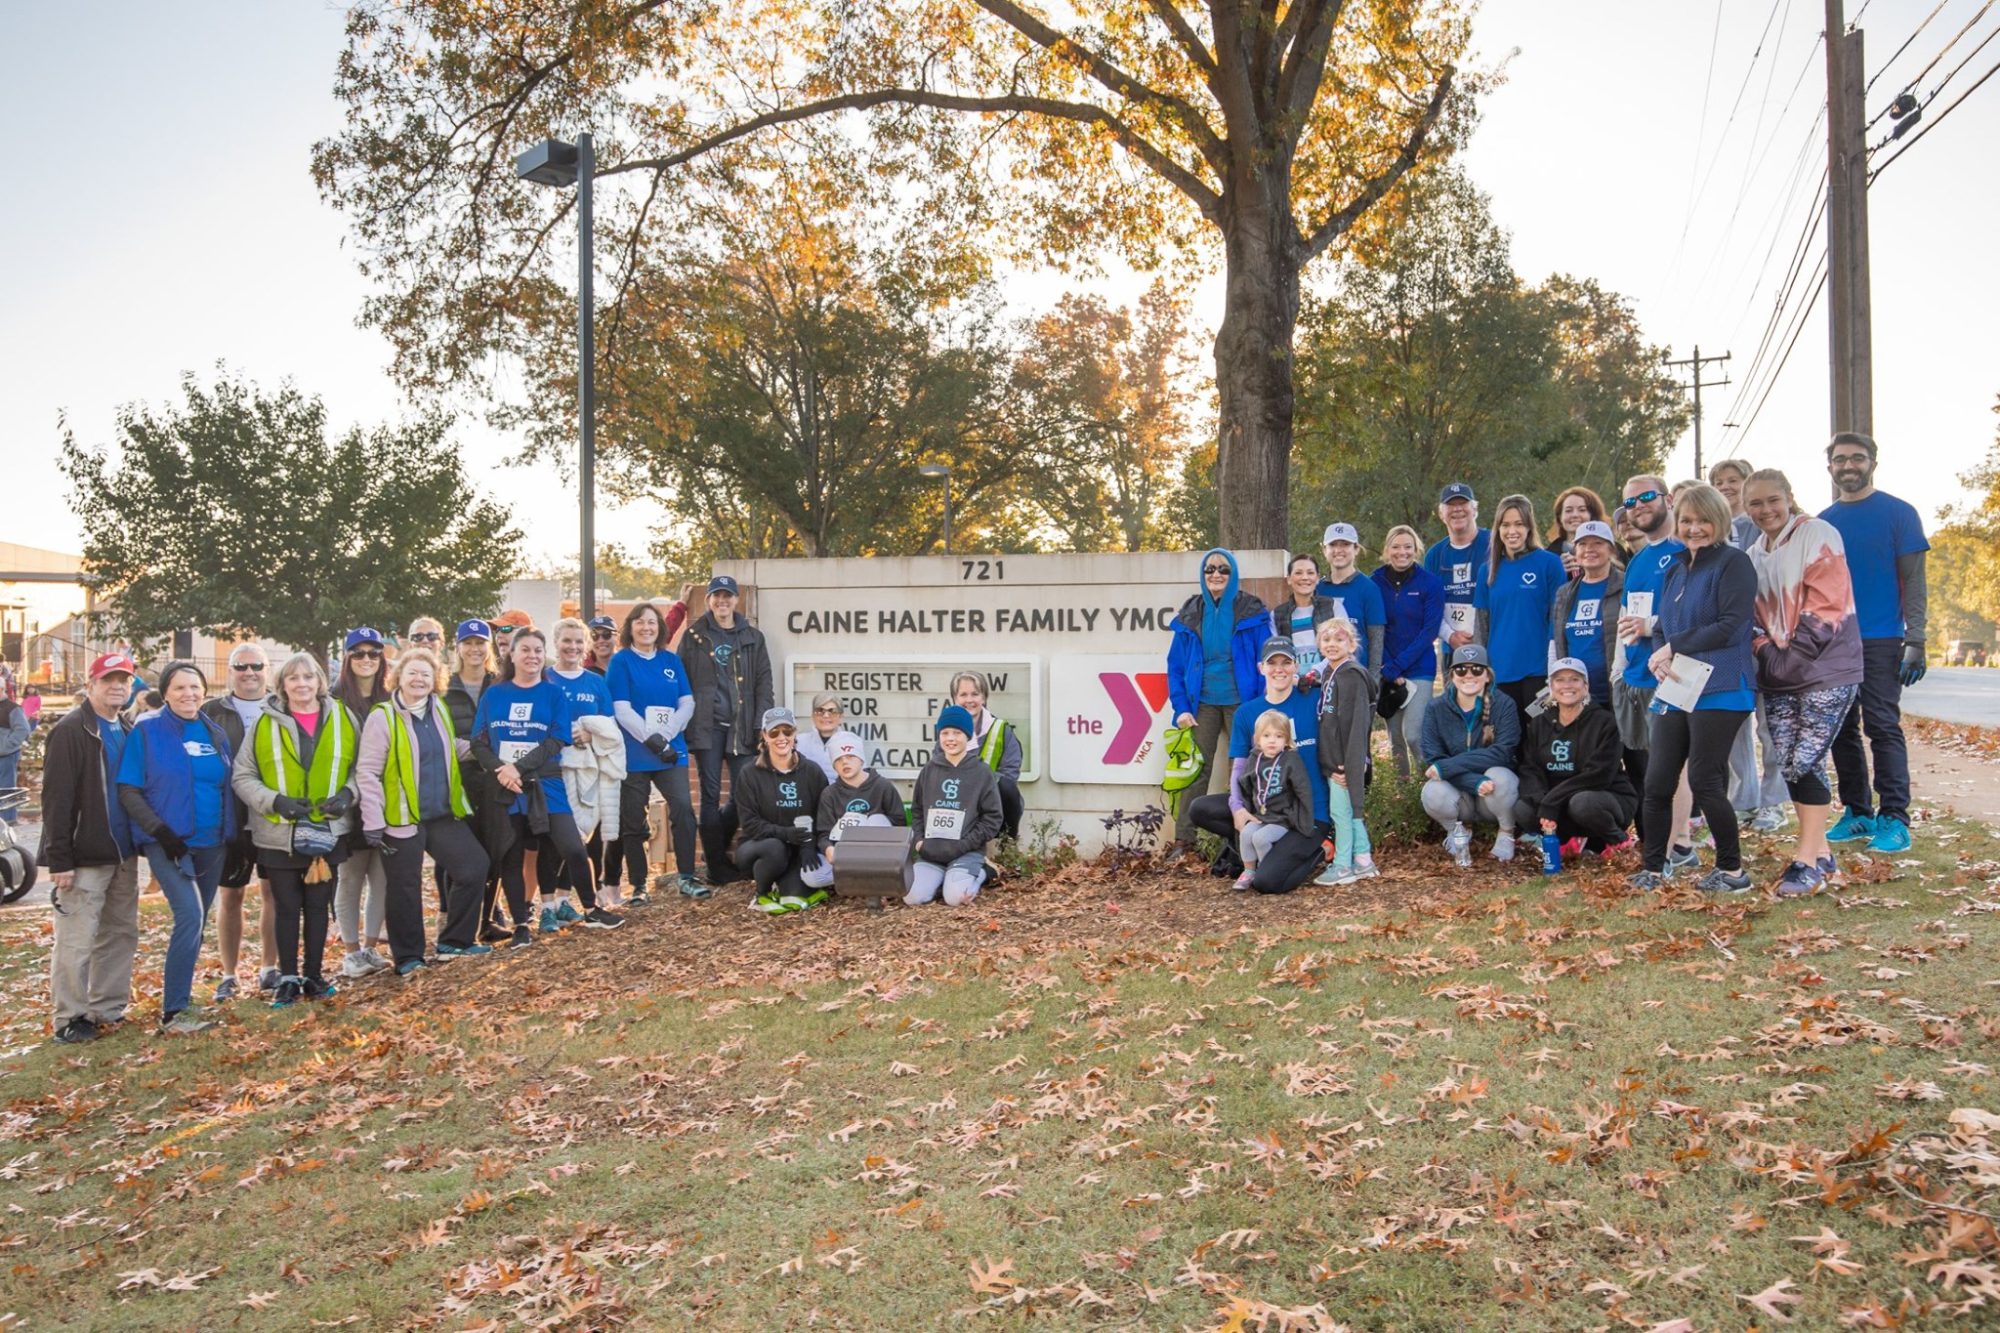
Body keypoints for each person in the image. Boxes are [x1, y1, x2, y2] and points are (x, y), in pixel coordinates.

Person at [1629, 482, 1760, 894]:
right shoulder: (1675, 568)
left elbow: (1731, 625)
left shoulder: (1734, 563)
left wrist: (1672, 646)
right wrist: (1661, 652)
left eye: (1703, 520)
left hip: (1723, 684)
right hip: (1679, 684)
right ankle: (1655, 868)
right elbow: (1663, 624)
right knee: (1657, 781)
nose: (1695, 528)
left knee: (1705, 779)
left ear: (1719, 521)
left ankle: (1732, 872)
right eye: (1687, 520)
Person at [1745, 468, 1865, 897]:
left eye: (1772, 500)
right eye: (1755, 503)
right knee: (1790, 758)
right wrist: (1766, 653)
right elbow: (1753, 619)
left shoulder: (1818, 534)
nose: (1765, 510)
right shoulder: (1756, 552)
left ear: (1789, 497)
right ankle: (1823, 851)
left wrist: (1786, 659)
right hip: (1778, 673)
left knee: (1806, 759)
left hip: (1825, 669)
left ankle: (1805, 861)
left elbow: (1827, 606)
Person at [471, 628, 624, 941]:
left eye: (538, 651)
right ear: (511, 655)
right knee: (512, 858)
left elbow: (558, 738)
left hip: (546, 783)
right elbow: (478, 741)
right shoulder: (495, 694)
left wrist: (518, 767)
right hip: (506, 787)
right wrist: (502, 769)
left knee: (573, 847)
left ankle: (592, 909)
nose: (532, 656)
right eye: (525, 650)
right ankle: (521, 926)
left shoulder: (552, 692)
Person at [1819, 432, 1929, 855]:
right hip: (1833, 640)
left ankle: (1894, 818)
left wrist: (1916, 638)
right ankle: (1858, 811)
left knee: (1882, 726)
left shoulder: (1899, 513)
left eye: (1857, 458)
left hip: (1882, 637)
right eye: (1841, 459)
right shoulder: (1823, 522)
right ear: (1829, 467)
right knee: (1841, 730)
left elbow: (1915, 582)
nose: (1849, 465)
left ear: (1873, 463)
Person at [354, 646, 492, 974]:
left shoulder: (438, 710)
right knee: (404, 886)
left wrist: (482, 748)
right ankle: (409, 957)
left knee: (474, 866)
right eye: (412, 672)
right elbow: (368, 771)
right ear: (398, 677)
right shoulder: (383, 716)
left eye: (426, 674)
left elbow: (449, 749)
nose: (419, 679)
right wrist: (373, 821)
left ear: (436, 681)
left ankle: (455, 942)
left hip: (441, 813)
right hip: (401, 817)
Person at [231, 651, 358, 1006]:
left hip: (326, 832)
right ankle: (287, 976)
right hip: (279, 833)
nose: (301, 684)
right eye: (293, 678)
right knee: (286, 906)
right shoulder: (264, 722)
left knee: (319, 907)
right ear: (282, 685)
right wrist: (274, 801)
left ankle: (314, 975)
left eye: (308, 677)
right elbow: (242, 775)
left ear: (319, 681)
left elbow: (362, 767)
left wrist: (349, 794)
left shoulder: (342, 717)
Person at [116, 661, 235, 1034]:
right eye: (180, 688)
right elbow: (128, 789)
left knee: (196, 925)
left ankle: (182, 999)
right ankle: (174, 1012)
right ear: (164, 692)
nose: (189, 694)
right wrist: (159, 831)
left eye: (195, 687)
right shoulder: (148, 731)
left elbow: (224, 785)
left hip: (212, 842)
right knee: (190, 916)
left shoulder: (215, 731)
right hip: (168, 843)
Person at [44, 652, 144, 1044]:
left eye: (125, 680)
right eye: (109, 680)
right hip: (84, 856)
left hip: (123, 854)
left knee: (120, 933)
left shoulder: (126, 727)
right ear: (91, 685)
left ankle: (107, 1008)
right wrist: (59, 859)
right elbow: (56, 799)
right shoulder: (72, 730)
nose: (118, 686)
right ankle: (70, 1017)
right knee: (76, 939)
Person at [1183, 638, 1329, 894]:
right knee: (1200, 809)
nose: (1279, 669)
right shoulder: (1248, 713)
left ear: (1296, 666)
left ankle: (1318, 850)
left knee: (1267, 883)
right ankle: (1251, 845)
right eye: (1272, 663)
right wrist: (1238, 808)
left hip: (1306, 812)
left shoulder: (1313, 699)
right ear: (1261, 667)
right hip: (1265, 806)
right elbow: (1239, 768)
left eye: (1286, 662)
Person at [1613, 475, 1697, 867]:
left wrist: (1653, 627)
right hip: (1640, 675)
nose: (1638, 506)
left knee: (1673, 768)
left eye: (1646, 497)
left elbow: (1702, 607)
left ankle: (1677, 846)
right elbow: (1634, 616)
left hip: (1679, 672)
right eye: (1630, 503)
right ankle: (1674, 842)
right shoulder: (1640, 559)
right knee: (1653, 768)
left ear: (1667, 499)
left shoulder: (1686, 546)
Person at [1166, 549, 1269, 840]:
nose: (1216, 574)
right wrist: (1181, 707)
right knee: (1195, 770)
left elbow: (1266, 661)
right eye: (1209, 569)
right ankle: (1184, 841)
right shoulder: (1191, 612)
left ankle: (1241, 839)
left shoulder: (1251, 610)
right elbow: (1174, 667)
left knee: (1243, 770)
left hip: (1242, 702)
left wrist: (1260, 706)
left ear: (1233, 574)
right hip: (1202, 705)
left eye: (1223, 569)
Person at [682, 575, 775, 885]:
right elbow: (680, 681)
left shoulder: (752, 637)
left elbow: (764, 683)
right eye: (716, 596)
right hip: (706, 726)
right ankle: (717, 869)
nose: (722, 601)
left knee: (742, 794)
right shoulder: (694, 635)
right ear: (709, 600)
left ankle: (714, 853)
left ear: (737, 600)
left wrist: (761, 723)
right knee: (709, 797)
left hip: (742, 726)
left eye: (727, 596)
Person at [200, 642, 280, 998]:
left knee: (273, 893)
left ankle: (269, 968)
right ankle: (229, 975)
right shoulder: (211, 711)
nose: (249, 672)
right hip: (229, 817)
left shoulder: (282, 706)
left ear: (268, 670)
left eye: (256, 666)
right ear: (230, 671)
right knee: (230, 895)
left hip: (272, 815)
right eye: (241, 666)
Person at [608, 600, 701, 899]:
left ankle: (687, 876)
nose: (646, 627)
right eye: (639, 621)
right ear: (630, 627)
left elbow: (687, 703)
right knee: (633, 820)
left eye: (652, 622)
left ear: (660, 628)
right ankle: (638, 885)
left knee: (684, 811)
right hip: (635, 753)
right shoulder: (621, 661)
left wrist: (666, 735)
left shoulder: (671, 661)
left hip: (671, 751)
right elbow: (620, 709)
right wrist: (651, 739)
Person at [1513, 657, 1636, 858]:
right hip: (1557, 802)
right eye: (1560, 680)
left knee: (1582, 803)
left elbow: (1599, 775)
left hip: (1603, 797)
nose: (1567, 685)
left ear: (1585, 686)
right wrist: (1542, 801)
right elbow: (1530, 768)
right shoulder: (1539, 724)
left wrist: (1551, 801)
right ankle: (1566, 840)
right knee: (1523, 808)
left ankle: (1617, 839)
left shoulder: (1605, 722)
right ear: (1551, 687)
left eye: (1574, 679)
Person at [548, 617, 624, 914]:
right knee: (557, 838)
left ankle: (564, 900)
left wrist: (592, 732)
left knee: (580, 835)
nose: (573, 647)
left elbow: (611, 726)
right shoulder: (544, 678)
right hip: (551, 770)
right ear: (556, 643)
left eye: (579, 641)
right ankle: (546, 901)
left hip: (587, 770)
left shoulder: (595, 682)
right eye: (567, 641)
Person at [1420, 645, 1521, 866]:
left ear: (1487, 675)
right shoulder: (1435, 708)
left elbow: (1503, 752)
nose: (1469, 675)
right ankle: (1456, 830)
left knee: (1501, 776)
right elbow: (1434, 759)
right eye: (1461, 670)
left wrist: (1448, 767)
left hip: (1492, 795)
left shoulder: (1503, 705)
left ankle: (1506, 832)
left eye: (1476, 669)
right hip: (1460, 794)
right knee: (1432, 791)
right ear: (1451, 675)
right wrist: (1473, 781)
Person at [330, 628, 394, 980]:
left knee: (381, 876)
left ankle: (371, 946)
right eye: (359, 653)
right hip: (347, 798)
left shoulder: (392, 697)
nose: (367, 660)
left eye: (374, 653)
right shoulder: (334, 699)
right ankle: (351, 951)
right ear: (347, 658)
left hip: (386, 797)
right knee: (351, 876)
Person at [444, 619, 511, 941]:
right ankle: (453, 923)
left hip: (495, 782)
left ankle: (485, 921)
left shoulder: (499, 684)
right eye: (467, 643)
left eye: (479, 642)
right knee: (460, 859)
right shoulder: (444, 688)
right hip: (458, 784)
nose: (474, 649)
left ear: (489, 647)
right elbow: (442, 741)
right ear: (457, 647)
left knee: (494, 852)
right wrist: (482, 750)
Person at [733, 708, 834, 913]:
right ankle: (761, 894)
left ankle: (785, 886)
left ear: (794, 734)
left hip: (798, 849)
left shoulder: (812, 771)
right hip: (759, 847)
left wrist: (808, 846)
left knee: (793, 899)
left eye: (787, 731)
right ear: (764, 736)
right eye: (774, 732)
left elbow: (822, 816)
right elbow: (750, 824)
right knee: (774, 848)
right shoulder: (750, 773)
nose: (781, 737)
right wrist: (786, 833)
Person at [1474, 494, 1566, 715]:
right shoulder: (1487, 571)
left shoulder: (1549, 564)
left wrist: (1556, 665)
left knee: (1540, 737)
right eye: (1505, 525)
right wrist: (1481, 669)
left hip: (1539, 670)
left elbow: (1558, 617)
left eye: (1518, 524)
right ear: (1498, 529)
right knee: (1508, 741)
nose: (1511, 531)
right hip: (1500, 671)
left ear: (1529, 527)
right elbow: (1481, 626)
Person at [908, 705, 1003, 906]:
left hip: (965, 851)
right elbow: (917, 810)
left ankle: (984, 872)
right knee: (912, 897)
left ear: (967, 736)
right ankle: (943, 876)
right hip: (931, 852)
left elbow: (993, 818)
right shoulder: (930, 769)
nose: (950, 738)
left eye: (957, 733)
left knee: (956, 899)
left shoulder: (981, 772)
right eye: (945, 733)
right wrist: (919, 841)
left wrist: (965, 844)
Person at [1372, 525, 1445, 780]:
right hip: (1387, 669)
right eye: (1396, 546)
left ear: (1416, 550)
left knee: (1413, 734)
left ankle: (1431, 788)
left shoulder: (1431, 583)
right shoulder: (1375, 581)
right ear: (1387, 550)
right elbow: (1373, 627)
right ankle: (1403, 802)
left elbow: (1429, 631)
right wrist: (1387, 667)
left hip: (1419, 668)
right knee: (1396, 742)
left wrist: (1398, 666)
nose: (1401, 552)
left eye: (1408, 547)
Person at [1313, 618, 1379, 886]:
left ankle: (1342, 866)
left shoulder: (1351, 676)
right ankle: (1363, 860)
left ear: (1351, 644)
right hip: (1334, 759)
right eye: (1327, 640)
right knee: (1347, 812)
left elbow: (1355, 726)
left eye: (1339, 640)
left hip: (1343, 761)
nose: (1332, 645)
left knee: (1341, 813)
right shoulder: (1331, 672)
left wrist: (1347, 765)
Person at [931, 671, 1025, 841]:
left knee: (1008, 787)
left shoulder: (1001, 729)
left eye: (975, 694)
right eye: (963, 694)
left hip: (992, 797)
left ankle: (1007, 843)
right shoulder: (947, 732)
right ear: (954, 698)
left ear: (984, 698)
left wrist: (980, 787)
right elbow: (937, 769)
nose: (969, 700)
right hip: (956, 797)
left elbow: (1010, 772)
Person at [1230, 710, 1316, 893]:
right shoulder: (1255, 758)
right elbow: (1245, 782)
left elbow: (1303, 789)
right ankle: (1249, 871)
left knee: (1260, 838)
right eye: (1266, 735)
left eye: (1279, 736)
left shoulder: (1290, 759)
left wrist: (1305, 820)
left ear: (1286, 740)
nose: (1272, 740)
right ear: (1257, 739)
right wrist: (1244, 807)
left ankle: (1267, 870)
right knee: (1246, 834)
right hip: (1261, 814)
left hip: (1283, 818)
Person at [814, 730, 909, 884]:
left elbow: (899, 824)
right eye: (838, 759)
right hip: (845, 853)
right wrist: (828, 849)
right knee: (812, 876)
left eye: (850, 756)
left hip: (878, 851)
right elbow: (824, 833)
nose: (845, 762)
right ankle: (859, 878)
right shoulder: (829, 794)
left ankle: (877, 879)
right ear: (834, 765)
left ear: (861, 760)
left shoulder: (882, 786)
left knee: (877, 819)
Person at [1551, 520, 1622, 709]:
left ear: (1611, 550)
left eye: (1597, 543)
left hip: (1615, 694)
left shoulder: (1627, 586)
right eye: (1582, 544)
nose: (1589, 549)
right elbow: (1557, 642)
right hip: (1576, 696)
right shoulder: (1564, 593)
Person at [1423, 482, 1490, 668]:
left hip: (1491, 645)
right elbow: (1430, 606)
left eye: (1463, 503)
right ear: (1441, 513)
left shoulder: (1494, 544)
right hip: (1451, 650)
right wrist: (1450, 636)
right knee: (1454, 698)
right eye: (1451, 505)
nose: (1458, 509)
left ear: (1475, 508)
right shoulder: (1434, 555)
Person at [1315, 524, 1386, 669]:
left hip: (1358, 676)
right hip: (1321, 678)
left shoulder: (1369, 589)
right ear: (1324, 550)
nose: (1338, 550)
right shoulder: (1317, 589)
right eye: (1333, 544)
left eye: (1345, 544)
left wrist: (1373, 681)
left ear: (1356, 549)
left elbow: (1376, 641)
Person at [1272, 553, 1338, 681]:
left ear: (1318, 578)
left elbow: (1344, 646)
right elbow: (1276, 652)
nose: (1305, 577)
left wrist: (1315, 673)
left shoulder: (1333, 607)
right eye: (1298, 573)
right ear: (1289, 579)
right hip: (1293, 684)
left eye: (1310, 573)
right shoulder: (1277, 615)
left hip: (1330, 683)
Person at [1546, 485, 1612, 576]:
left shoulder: (1614, 550)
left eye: (1582, 510)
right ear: (1559, 518)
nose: (1575, 515)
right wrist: (1557, 571)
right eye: (1568, 511)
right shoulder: (1548, 556)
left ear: (1593, 515)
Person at [1707, 458, 1759, 550]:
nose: (1724, 487)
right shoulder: (1708, 527)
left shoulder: (1759, 523)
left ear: (1747, 484)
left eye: (1733, 481)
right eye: (1719, 483)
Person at [796, 692, 846, 781]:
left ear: (841, 716)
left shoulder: (851, 742)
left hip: (839, 794)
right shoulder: (799, 742)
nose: (826, 716)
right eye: (820, 711)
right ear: (812, 716)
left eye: (832, 711)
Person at [0, 688, 28, 822]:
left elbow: (23, 729)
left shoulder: (12, 708)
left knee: (6, 789)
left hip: (7, 755)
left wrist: (6, 746)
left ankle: (8, 820)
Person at [490, 608, 534, 682]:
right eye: (497, 630)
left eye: (505, 628)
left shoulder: (546, 672)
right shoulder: (491, 674)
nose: (499, 635)